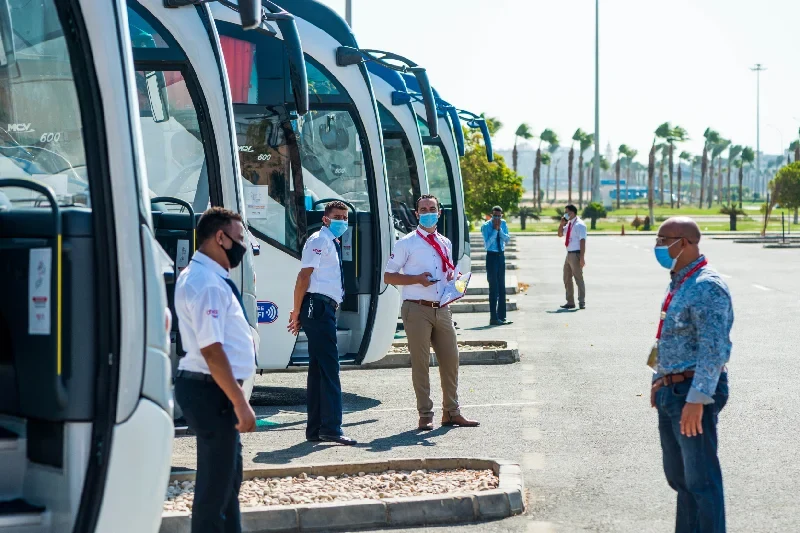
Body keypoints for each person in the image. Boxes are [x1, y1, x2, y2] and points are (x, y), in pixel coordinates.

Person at [173, 207, 257, 533]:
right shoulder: (206, 283)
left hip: (212, 388)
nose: (242, 247)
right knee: (215, 490)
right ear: (219, 237)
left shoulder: (206, 276)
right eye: (238, 239)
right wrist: (240, 403)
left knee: (227, 482)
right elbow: (211, 350)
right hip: (212, 391)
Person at [650, 217, 732, 533]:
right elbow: (667, 337)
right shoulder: (681, 282)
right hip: (672, 390)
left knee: (702, 482)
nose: (657, 247)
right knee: (681, 481)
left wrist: (698, 399)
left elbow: (714, 349)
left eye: (661, 240)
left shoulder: (706, 286)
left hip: (692, 392)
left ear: (683, 242)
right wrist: (658, 379)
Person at [384, 194, 480, 431]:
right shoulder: (406, 243)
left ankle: (452, 412)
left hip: (442, 308)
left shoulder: (445, 242)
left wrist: (455, 283)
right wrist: (416, 279)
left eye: (432, 209)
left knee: (451, 360)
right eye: (423, 209)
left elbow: (448, 272)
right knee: (421, 363)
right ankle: (425, 413)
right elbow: (388, 276)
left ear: (439, 213)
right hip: (416, 308)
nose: (428, 212)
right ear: (417, 214)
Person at [287, 200, 356, 446]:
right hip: (318, 307)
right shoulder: (319, 240)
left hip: (322, 307)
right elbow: (303, 276)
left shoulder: (330, 242)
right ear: (326, 219)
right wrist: (296, 312)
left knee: (318, 371)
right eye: (337, 216)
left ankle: (316, 429)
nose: (342, 221)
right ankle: (331, 428)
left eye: (345, 217)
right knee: (329, 369)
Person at [481, 206, 511, 326]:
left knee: (502, 287)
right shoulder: (486, 226)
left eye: (499, 216)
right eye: (495, 216)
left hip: (501, 256)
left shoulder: (503, 224)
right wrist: (494, 230)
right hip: (492, 256)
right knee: (494, 287)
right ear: (491, 215)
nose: (497, 218)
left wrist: (499, 230)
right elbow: (487, 245)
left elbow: (507, 239)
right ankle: (493, 317)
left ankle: (502, 316)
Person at [557, 204, 586, 309]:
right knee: (566, 277)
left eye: (567, 212)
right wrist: (561, 224)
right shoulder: (569, 224)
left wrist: (582, 258)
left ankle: (581, 301)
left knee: (578, 278)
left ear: (572, 213)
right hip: (569, 254)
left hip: (576, 253)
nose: (565, 214)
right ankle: (570, 302)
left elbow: (582, 241)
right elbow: (560, 234)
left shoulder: (580, 225)